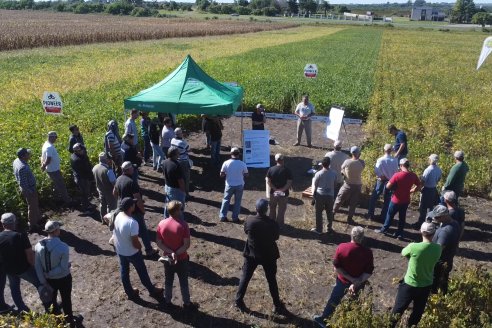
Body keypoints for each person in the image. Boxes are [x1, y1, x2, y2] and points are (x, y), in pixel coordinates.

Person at [235, 199, 288, 315]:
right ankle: (277, 305)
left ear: (256, 209)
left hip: (251, 255)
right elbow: (276, 237)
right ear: (267, 210)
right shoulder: (272, 223)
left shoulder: (249, 220)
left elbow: (246, 231)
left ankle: (238, 301)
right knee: (271, 280)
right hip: (268, 255)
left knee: (245, 277)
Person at [313, 227, 374, 327]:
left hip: (342, 281)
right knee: (353, 303)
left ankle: (324, 320)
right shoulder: (368, 253)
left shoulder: (342, 247)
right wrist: (356, 281)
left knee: (333, 301)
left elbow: (336, 267)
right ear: (362, 238)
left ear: (351, 235)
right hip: (358, 284)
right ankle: (347, 322)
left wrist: (350, 279)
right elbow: (369, 271)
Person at [390, 222, 441, 328]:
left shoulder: (413, 247)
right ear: (434, 233)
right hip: (426, 285)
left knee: (398, 310)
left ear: (421, 232)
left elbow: (403, 252)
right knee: (417, 313)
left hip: (410, 284)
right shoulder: (438, 248)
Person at [112, 198, 163, 300]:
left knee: (124, 271)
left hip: (120, 250)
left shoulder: (118, 215)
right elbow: (135, 242)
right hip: (132, 252)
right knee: (142, 271)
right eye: (133, 204)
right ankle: (152, 290)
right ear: (131, 207)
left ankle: (129, 292)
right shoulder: (132, 222)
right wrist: (140, 248)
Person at [0, 213, 51, 313]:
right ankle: (49, 307)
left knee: (15, 289)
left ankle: (22, 309)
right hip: (24, 268)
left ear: (2, 223)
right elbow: (29, 254)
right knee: (40, 284)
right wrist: (34, 266)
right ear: (15, 222)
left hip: (9, 269)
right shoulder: (20, 235)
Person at [34, 221, 80, 327]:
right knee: (66, 299)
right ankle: (69, 319)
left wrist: (43, 280)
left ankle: (57, 321)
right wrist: (51, 273)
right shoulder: (63, 247)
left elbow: (38, 266)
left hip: (48, 281)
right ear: (56, 231)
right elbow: (63, 267)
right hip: (63, 278)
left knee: (52, 300)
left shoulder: (38, 246)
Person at [156, 201, 198, 310]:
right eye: (180, 209)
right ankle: (187, 303)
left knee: (168, 280)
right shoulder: (183, 225)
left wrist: (170, 252)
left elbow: (159, 243)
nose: (181, 210)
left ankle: (168, 301)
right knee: (183, 281)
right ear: (176, 211)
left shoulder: (161, 224)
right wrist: (177, 253)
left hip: (167, 259)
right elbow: (186, 244)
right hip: (182, 259)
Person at [114, 162, 157, 257]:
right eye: (132, 168)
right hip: (134, 210)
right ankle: (149, 250)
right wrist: (143, 210)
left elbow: (114, 192)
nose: (133, 170)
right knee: (142, 230)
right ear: (129, 170)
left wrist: (121, 199)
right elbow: (138, 199)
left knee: (128, 231)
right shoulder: (132, 182)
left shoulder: (119, 179)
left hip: (122, 209)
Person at [375, 158, 421, 239]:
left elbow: (388, 186)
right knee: (402, 217)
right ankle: (399, 233)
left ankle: (384, 229)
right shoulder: (413, 175)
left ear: (401, 165)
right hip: (406, 200)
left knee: (390, 215)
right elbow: (419, 186)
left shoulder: (397, 175)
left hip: (396, 200)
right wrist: (411, 190)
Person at [427, 205, 460, 295]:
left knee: (435, 281)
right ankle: (443, 296)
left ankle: (434, 298)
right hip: (448, 258)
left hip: (440, 261)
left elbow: (438, 249)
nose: (434, 218)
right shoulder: (455, 223)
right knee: (444, 279)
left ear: (445, 216)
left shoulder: (445, 232)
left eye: (437, 217)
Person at [332, 146, 365, 224]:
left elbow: (342, 169)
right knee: (353, 203)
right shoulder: (362, 162)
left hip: (347, 184)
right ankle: (349, 218)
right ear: (358, 153)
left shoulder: (347, 162)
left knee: (339, 199)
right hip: (357, 185)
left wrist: (344, 173)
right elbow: (361, 166)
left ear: (351, 153)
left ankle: (332, 214)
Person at [366, 144, 398, 221]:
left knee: (374, 197)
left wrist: (381, 175)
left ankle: (370, 215)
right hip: (390, 181)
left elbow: (376, 170)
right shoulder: (394, 160)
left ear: (384, 150)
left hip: (381, 180)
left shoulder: (380, 159)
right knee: (387, 199)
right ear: (391, 151)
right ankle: (383, 216)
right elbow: (396, 171)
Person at [13, 147, 42, 232]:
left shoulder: (17, 160)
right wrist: (30, 191)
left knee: (35, 204)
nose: (29, 155)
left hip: (30, 188)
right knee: (32, 207)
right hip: (29, 189)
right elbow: (23, 183)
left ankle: (38, 218)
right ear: (23, 156)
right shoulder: (22, 167)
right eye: (27, 154)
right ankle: (32, 225)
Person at [41, 131, 72, 206]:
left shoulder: (46, 144)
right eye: (55, 137)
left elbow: (42, 157)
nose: (56, 139)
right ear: (51, 137)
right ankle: (67, 201)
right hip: (53, 170)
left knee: (56, 185)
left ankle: (57, 200)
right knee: (61, 185)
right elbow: (48, 158)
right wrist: (44, 166)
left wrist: (43, 165)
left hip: (52, 169)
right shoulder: (49, 147)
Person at [219, 148, 249, 223]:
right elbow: (246, 174)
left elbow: (221, 175)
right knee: (237, 201)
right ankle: (235, 218)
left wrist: (227, 173)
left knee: (226, 200)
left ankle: (222, 216)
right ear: (239, 154)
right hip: (239, 185)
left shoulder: (226, 163)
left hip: (229, 185)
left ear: (231, 154)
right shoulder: (242, 164)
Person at [415, 154, 442, 228]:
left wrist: (419, 188)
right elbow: (438, 179)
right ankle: (429, 221)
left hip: (427, 189)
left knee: (423, 208)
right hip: (433, 189)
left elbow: (423, 182)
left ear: (430, 160)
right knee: (431, 207)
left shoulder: (428, 170)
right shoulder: (439, 169)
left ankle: (420, 223)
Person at [311, 157, 337, 234]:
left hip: (320, 195)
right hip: (330, 195)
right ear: (329, 164)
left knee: (319, 212)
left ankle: (319, 229)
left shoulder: (318, 174)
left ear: (322, 164)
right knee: (329, 212)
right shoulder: (334, 173)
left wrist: (314, 195)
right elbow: (335, 185)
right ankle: (329, 228)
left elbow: (315, 185)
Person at [266, 153, 292, 227]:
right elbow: (289, 182)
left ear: (275, 160)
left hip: (273, 193)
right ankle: (279, 225)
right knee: (281, 210)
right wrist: (282, 190)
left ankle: (271, 223)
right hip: (284, 194)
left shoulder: (271, 169)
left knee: (272, 208)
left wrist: (275, 189)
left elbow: (268, 181)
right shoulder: (287, 170)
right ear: (283, 160)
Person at [70, 143, 94, 213]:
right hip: (81, 178)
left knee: (86, 193)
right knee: (84, 193)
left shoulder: (78, 155)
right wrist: (90, 177)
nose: (84, 150)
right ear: (77, 151)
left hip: (82, 177)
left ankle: (87, 204)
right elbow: (84, 171)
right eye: (82, 149)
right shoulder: (77, 160)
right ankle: (86, 208)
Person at [93, 152, 117, 220]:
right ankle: (110, 221)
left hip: (100, 190)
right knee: (112, 207)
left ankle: (103, 219)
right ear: (106, 160)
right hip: (109, 192)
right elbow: (114, 183)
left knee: (102, 205)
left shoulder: (95, 167)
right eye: (109, 159)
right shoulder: (108, 170)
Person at [162, 147, 186, 218]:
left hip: (167, 187)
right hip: (176, 190)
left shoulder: (165, 162)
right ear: (175, 154)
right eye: (178, 153)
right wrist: (184, 192)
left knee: (168, 205)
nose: (179, 154)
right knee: (178, 208)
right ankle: (179, 224)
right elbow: (180, 181)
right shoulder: (176, 165)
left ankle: (166, 219)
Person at [171, 128, 192, 198]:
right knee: (186, 178)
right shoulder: (183, 143)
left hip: (176, 161)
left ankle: (180, 193)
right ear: (180, 134)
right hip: (183, 162)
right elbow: (189, 149)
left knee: (179, 178)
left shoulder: (172, 140)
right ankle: (186, 194)